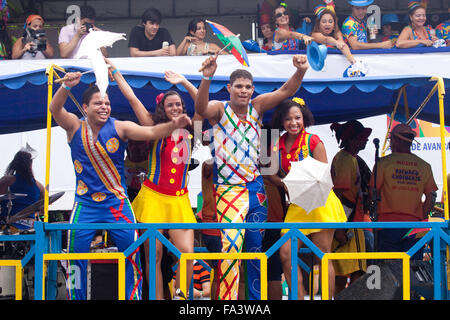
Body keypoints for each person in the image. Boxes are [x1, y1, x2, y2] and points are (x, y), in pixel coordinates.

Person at [48, 70, 191, 300]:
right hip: (85, 205)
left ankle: (132, 298)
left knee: (132, 254)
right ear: (85, 107)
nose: (104, 107)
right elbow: (55, 110)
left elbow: (152, 131)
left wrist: (174, 126)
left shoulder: (120, 127)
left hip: (118, 204)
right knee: (75, 257)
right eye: (98, 103)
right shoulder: (74, 126)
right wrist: (66, 87)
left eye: (107, 103)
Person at [195, 53, 309, 300]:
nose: (243, 91)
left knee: (255, 251)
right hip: (228, 190)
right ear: (229, 88)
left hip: (256, 189)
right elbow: (200, 108)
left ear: (252, 89)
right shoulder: (219, 109)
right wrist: (206, 77)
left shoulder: (257, 107)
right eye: (238, 86)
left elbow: (286, 90)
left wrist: (300, 70)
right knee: (231, 250)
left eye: (248, 86)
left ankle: (255, 303)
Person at [109, 59, 201, 299]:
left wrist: (183, 81)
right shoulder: (153, 126)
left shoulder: (192, 128)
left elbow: (202, 103)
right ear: (163, 108)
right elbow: (133, 99)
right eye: (171, 105)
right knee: (155, 255)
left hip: (179, 200)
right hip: (153, 198)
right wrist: (116, 72)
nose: (176, 108)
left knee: (186, 253)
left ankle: (180, 298)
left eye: (179, 105)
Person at [269, 98, 346, 300]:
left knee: (322, 254)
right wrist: (284, 183)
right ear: (281, 121)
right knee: (286, 254)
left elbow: (325, 174)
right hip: (296, 204)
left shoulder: (313, 140)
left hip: (320, 202)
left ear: (304, 119)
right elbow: (269, 174)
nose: (293, 122)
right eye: (288, 119)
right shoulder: (276, 143)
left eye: (297, 118)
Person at [369, 123, 438, 260]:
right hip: (414, 226)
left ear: (395, 140)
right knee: (412, 269)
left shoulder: (383, 163)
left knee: (389, 270)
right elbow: (431, 197)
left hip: (387, 224)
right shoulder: (424, 166)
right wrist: (421, 217)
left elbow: (372, 192)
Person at [330, 120, 373, 295]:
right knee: (353, 270)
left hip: (350, 221)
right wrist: (339, 228)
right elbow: (340, 195)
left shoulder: (349, 159)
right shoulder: (345, 160)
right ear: (352, 140)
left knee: (349, 270)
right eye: (362, 138)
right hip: (347, 222)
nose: (365, 142)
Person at [0, 149, 45, 231]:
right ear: (30, 165)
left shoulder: (6, 181)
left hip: (9, 225)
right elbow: (42, 210)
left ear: (14, 164)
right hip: (31, 227)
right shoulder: (39, 186)